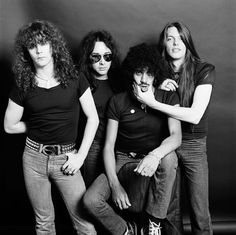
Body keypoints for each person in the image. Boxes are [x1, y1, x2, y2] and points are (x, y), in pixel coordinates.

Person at [4, 20, 99, 235]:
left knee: (84, 223)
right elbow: (9, 126)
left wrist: (80, 157)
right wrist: (37, 125)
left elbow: (92, 118)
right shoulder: (23, 83)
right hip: (33, 159)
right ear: (26, 52)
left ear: (53, 45)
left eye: (43, 43)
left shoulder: (75, 77)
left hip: (66, 158)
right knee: (44, 223)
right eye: (32, 45)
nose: (39, 50)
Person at [83, 43, 182, 235]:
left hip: (155, 156)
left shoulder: (168, 97)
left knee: (170, 157)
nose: (144, 79)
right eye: (139, 73)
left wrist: (154, 156)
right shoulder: (118, 101)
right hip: (123, 158)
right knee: (90, 200)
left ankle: (154, 224)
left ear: (156, 75)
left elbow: (176, 136)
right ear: (131, 73)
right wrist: (115, 185)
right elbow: (109, 146)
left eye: (149, 73)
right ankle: (127, 230)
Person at [133, 22, 215, 235]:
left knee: (199, 209)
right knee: (169, 208)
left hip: (194, 145)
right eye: (170, 38)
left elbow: (195, 115)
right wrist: (157, 88)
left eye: (180, 37)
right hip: (166, 141)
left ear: (187, 42)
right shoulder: (157, 71)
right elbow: (136, 99)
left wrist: (155, 102)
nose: (175, 42)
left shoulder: (204, 70)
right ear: (164, 44)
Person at [77, 30, 122, 187]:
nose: (102, 62)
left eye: (107, 56)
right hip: (92, 146)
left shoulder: (120, 81)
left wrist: (162, 82)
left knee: (116, 190)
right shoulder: (82, 83)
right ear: (88, 57)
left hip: (118, 145)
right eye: (96, 57)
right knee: (90, 191)